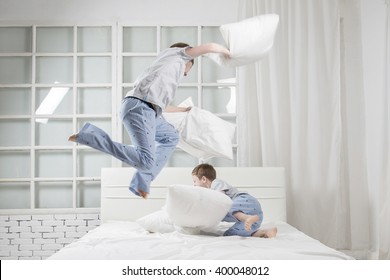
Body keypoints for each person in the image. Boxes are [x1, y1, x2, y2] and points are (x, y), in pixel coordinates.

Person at [68, 42, 230, 199]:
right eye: (189, 68)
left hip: (148, 110)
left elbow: (162, 107)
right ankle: (90, 136)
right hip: (139, 108)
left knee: (172, 137)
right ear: (187, 57)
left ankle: (142, 180)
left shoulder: (165, 71)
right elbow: (208, 47)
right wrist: (225, 51)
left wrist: (183, 110)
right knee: (145, 161)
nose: (186, 74)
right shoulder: (178, 54)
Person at [191, 163, 277, 238]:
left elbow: (221, 200)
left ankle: (246, 218)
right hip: (256, 215)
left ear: (204, 179)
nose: (194, 185)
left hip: (245, 201)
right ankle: (264, 233)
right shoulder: (210, 192)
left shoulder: (216, 183)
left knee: (225, 206)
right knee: (230, 233)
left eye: (194, 181)